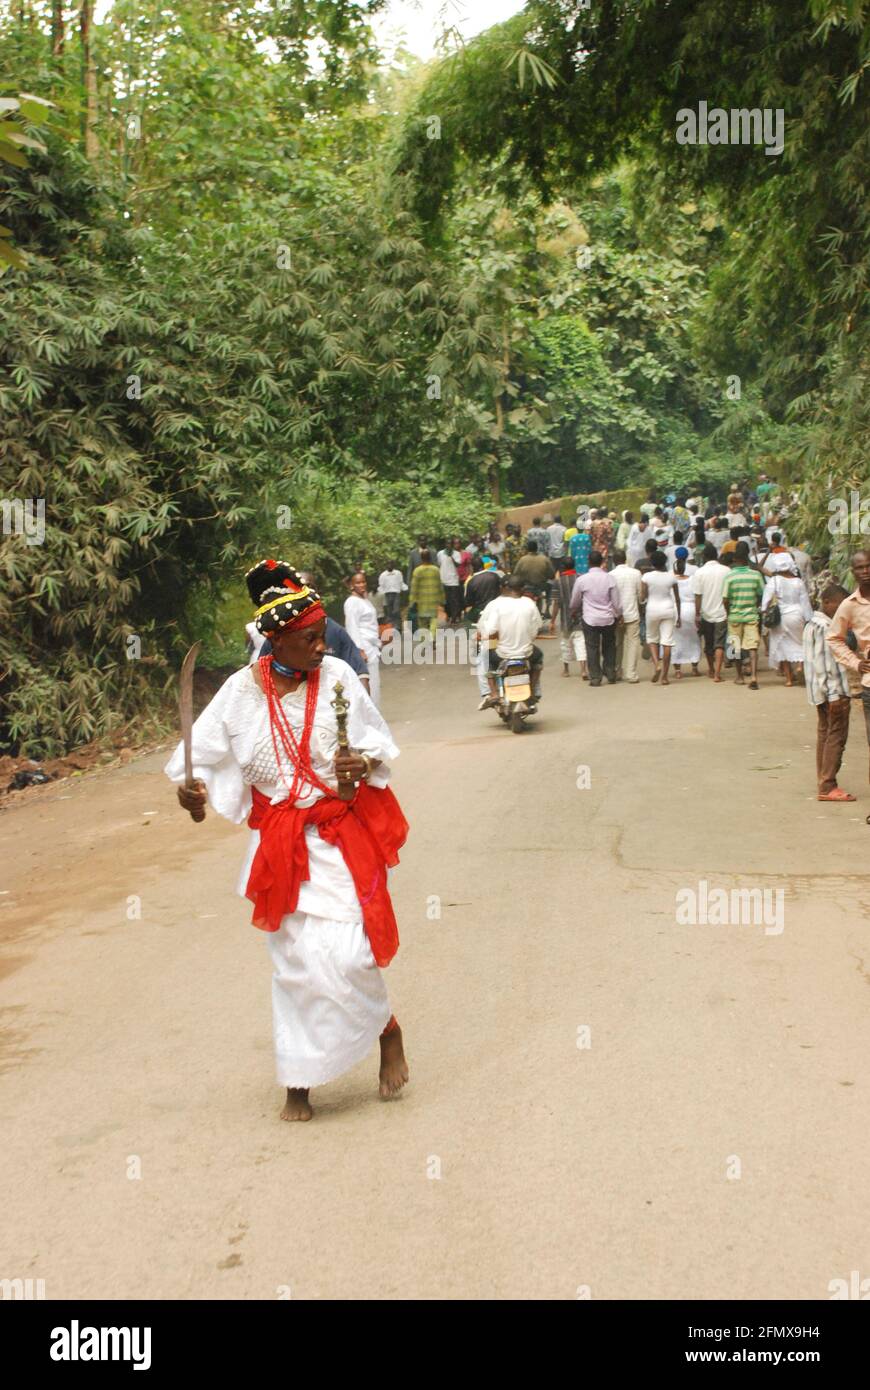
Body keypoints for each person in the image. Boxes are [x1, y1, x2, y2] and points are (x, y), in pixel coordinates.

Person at [166, 560, 409, 1123]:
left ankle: (386, 1028)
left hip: (338, 836)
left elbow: (379, 747)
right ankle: (298, 1079)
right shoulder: (238, 693)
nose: (322, 647)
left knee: (349, 954)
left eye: (322, 636)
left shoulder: (340, 680)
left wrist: (362, 761)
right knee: (296, 964)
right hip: (280, 843)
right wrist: (192, 792)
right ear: (275, 641)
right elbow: (193, 758)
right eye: (309, 639)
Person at [804, 584, 853, 801]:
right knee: (836, 737)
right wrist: (835, 695)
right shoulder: (826, 627)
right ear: (826, 603)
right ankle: (828, 784)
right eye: (839, 605)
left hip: (820, 691)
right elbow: (828, 665)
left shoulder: (812, 625)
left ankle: (824, 778)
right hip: (833, 692)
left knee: (825, 733)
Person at [827, 552, 870, 791]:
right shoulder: (849, 605)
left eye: (869, 566)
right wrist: (855, 663)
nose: (865, 571)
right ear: (853, 572)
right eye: (860, 568)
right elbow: (834, 638)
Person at [478, 574, 544, 703]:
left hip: (502, 653)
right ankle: (533, 690)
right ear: (522, 589)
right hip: (526, 653)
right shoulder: (529, 603)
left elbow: (490, 630)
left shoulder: (496, 605)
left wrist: (487, 639)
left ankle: (493, 693)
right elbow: (536, 627)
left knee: (485, 659)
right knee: (538, 658)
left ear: (504, 588)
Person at [569, 550, 622, 686]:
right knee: (609, 646)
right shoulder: (609, 578)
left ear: (589, 562)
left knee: (592, 647)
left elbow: (575, 601)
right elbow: (616, 601)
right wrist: (619, 614)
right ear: (602, 562)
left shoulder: (582, 579)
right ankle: (610, 673)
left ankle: (595, 677)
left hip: (590, 619)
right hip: (608, 618)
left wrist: (573, 611)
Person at [761, 554, 813, 687]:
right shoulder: (798, 581)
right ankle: (800, 667)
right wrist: (809, 619)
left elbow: (766, 600)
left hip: (781, 616)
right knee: (800, 643)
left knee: (783, 646)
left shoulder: (775, 580)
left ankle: (789, 679)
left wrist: (763, 610)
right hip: (798, 615)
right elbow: (805, 603)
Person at [723, 540, 764, 689]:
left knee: (735, 647)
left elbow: (725, 599)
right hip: (751, 615)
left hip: (734, 616)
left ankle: (739, 676)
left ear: (734, 559)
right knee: (752, 647)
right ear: (747, 557)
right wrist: (755, 605)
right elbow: (762, 594)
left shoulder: (729, 576)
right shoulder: (755, 575)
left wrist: (728, 613)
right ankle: (753, 676)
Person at [640, 550, 680, 685]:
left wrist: (642, 599)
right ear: (665, 562)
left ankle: (657, 664)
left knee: (652, 639)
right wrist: (678, 616)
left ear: (652, 562)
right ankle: (664, 677)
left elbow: (643, 596)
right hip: (668, 609)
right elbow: (678, 599)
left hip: (652, 609)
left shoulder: (646, 577)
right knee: (667, 642)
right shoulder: (671, 577)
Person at [344, 572, 383, 707]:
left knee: (375, 682)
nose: (361, 585)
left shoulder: (364, 600)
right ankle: (370, 713)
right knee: (369, 682)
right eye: (358, 583)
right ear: (351, 586)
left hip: (372, 644)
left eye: (363, 582)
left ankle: (375, 711)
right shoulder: (351, 602)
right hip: (364, 646)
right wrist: (359, 650)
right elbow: (352, 626)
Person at [692, 544, 730, 681]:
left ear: (704, 557)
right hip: (722, 613)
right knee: (719, 644)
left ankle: (711, 668)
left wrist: (697, 613)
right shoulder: (726, 570)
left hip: (706, 613)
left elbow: (698, 596)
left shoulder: (699, 573)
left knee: (708, 644)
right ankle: (717, 673)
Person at [550, 564, 587, 679]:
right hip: (581, 618)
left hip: (565, 619)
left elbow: (556, 603)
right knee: (581, 644)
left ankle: (566, 670)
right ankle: (583, 670)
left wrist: (552, 620)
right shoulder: (581, 578)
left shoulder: (558, 582)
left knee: (566, 645)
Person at [611, 548, 642, 683]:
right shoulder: (636, 573)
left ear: (614, 561)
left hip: (616, 616)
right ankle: (631, 674)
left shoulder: (610, 575)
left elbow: (610, 598)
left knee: (617, 644)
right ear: (625, 559)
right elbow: (640, 595)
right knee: (633, 644)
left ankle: (617, 671)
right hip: (632, 613)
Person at [671, 547, 701, 677]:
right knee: (694, 639)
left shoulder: (670, 577)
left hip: (675, 611)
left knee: (676, 640)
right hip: (690, 609)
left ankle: (678, 670)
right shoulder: (693, 577)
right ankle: (694, 667)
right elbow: (697, 595)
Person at [408, 548, 444, 636]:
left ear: (421, 558)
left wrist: (412, 601)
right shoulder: (436, 570)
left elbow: (414, 588)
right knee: (433, 621)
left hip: (421, 602)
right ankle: (432, 638)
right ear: (430, 558)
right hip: (433, 601)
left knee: (422, 623)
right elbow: (440, 585)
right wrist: (442, 600)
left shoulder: (417, 571)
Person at [437, 540, 463, 626]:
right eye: (447, 543)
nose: (448, 545)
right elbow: (439, 564)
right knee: (446, 601)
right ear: (445, 544)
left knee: (454, 600)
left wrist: (451, 557)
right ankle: (448, 615)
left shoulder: (456, 553)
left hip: (453, 580)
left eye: (450, 543)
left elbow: (458, 565)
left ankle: (454, 618)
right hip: (443, 579)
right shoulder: (440, 553)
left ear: (452, 545)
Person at [377, 562, 407, 628]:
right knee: (389, 611)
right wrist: (381, 595)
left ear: (393, 565)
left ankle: (398, 627)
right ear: (386, 566)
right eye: (388, 564)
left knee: (396, 611)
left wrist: (405, 589)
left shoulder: (398, 573)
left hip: (396, 594)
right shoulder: (383, 575)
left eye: (391, 564)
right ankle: (390, 627)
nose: (389, 566)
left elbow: (401, 583)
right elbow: (381, 586)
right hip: (387, 594)